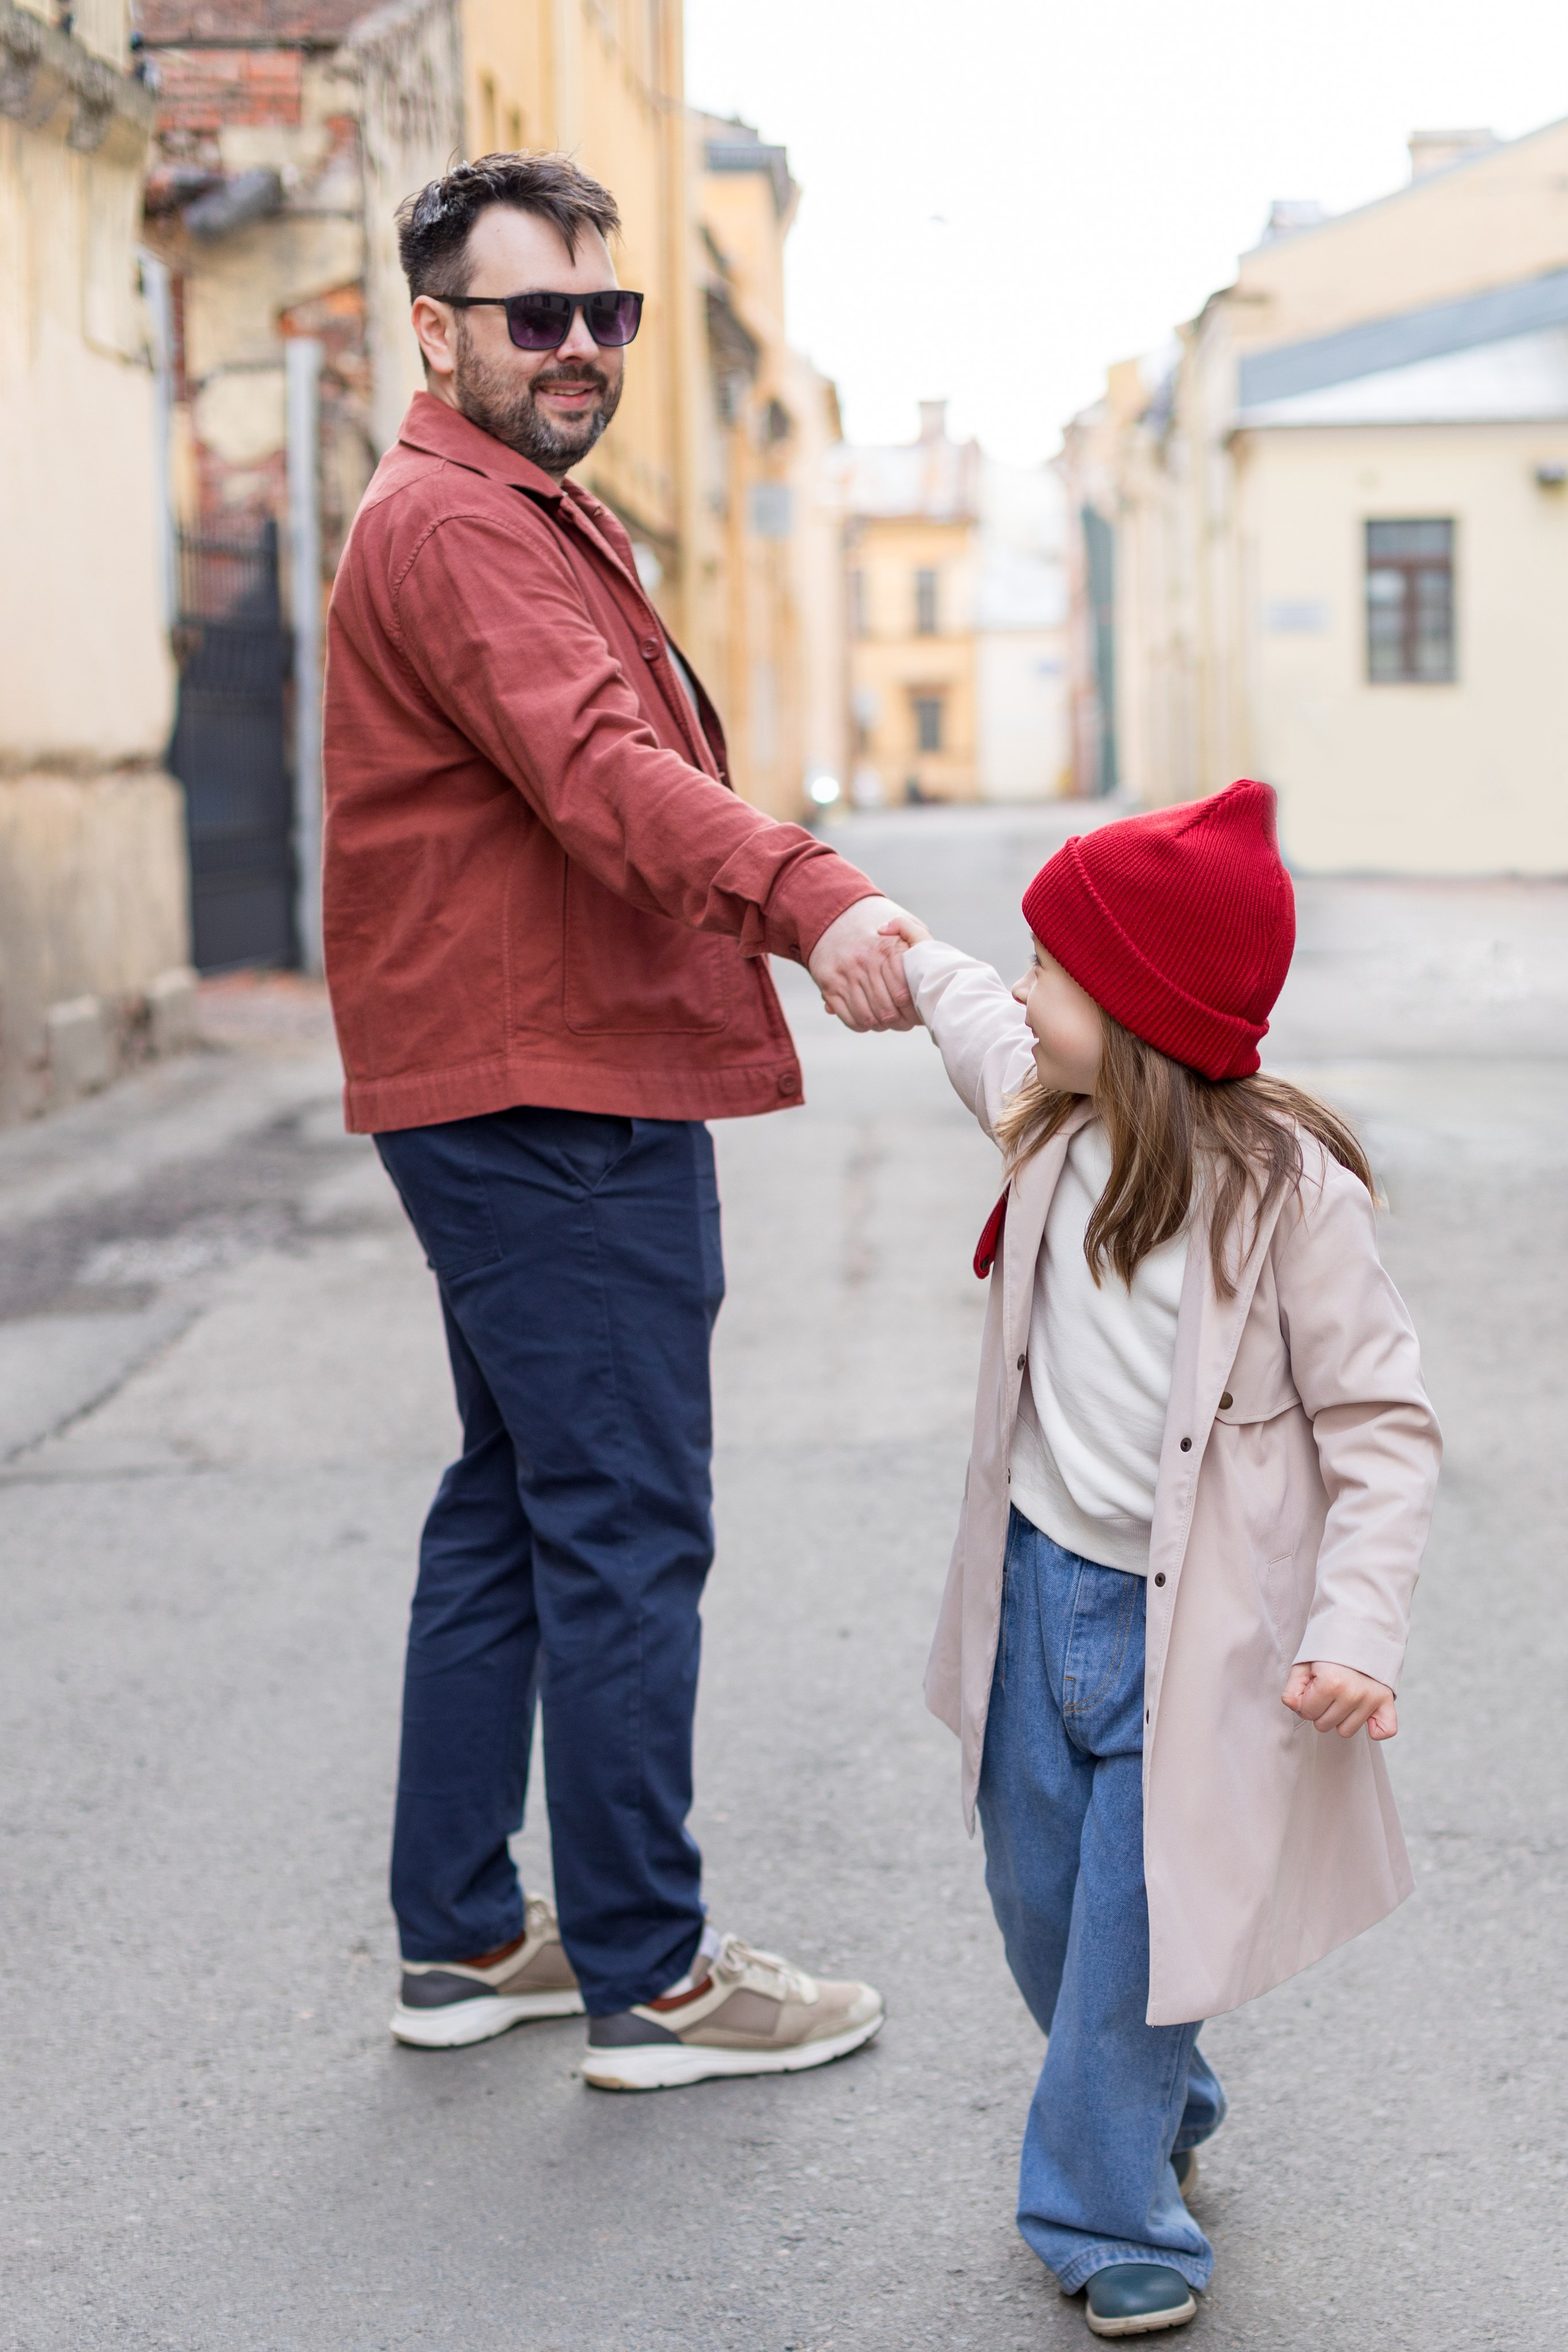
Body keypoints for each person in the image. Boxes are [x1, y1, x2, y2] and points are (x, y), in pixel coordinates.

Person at [321, 151, 918, 2092]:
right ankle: (653, 1981)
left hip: (522, 1067)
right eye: (535, 317)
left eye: (610, 314)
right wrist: (814, 900)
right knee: (625, 1522)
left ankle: (469, 1938)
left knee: (514, 1503)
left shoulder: (507, 509)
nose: (581, 351)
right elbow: (601, 773)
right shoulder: (470, 527)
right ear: (438, 330)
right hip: (550, 1083)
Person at [877, 783, 1441, 2334]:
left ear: (1131, 1011)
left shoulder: (1284, 1197)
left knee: (1126, 1934)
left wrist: (1356, 1629)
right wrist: (881, 940)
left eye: (1050, 966)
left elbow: (1382, 1429)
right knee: (1039, 1906)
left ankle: (1104, 2214)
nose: (1023, 988)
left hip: (1200, 1638)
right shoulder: (1047, 1118)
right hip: (1036, 1591)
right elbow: (957, 1013)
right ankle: (1158, 2099)